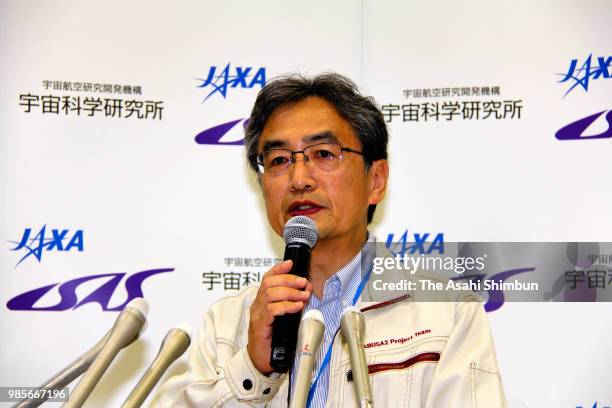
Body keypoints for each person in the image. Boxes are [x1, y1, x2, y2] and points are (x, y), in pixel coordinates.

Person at [151, 73, 506, 407]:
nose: (299, 178)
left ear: (376, 180)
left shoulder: (448, 314)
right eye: (278, 160)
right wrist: (253, 368)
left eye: (323, 154)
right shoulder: (227, 323)